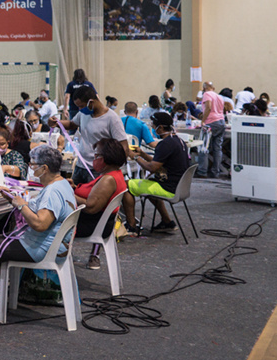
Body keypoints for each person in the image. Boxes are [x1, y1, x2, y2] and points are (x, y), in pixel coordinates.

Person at [0, 146, 77, 324]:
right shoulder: (61, 184)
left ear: (44, 168)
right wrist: (13, 198)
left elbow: (40, 224)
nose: (30, 166)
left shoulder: (52, 192)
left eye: (33, 164)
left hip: (41, 248)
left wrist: (21, 205)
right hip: (53, 244)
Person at [127, 112, 190, 234]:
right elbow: (159, 163)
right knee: (149, 185)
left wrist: (134, 157)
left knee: (126, 186)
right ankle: (167, 222)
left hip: (169, 187)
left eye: (153, 125)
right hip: (179, 186)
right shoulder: (177, 141)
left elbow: (152, 168)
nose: (152, 128)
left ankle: (132, 227)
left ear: (160, 127)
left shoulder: (165, 144)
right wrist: (143, 154)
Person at [59, 86, 131, 186]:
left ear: (91, 102)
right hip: (81, 166)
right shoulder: (83, 114)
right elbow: (72, 124)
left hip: (98, 170)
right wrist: (57, 122)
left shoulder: (112, 119)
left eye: (82, 106)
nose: (80, 109)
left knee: (93, 199)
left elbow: (124, 147)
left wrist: (111, 170)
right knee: (72, 194)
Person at [74, 138, 128, 267]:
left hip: (92, 225)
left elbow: (91, 207)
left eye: (97, 156)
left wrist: (68, 194)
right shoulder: (113, 173)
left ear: (107, 157)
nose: (95, 159)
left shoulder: (108, 179)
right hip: (100, 222)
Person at [197, 81, 226, 179]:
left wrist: (203, 121)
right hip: (221, 121)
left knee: (204, 147)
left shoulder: (206, 94)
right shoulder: (219, 96)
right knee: (217, 148)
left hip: (211, 122)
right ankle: (216, 172)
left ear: (204, 88)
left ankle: (202, 171)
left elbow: (208, 107)